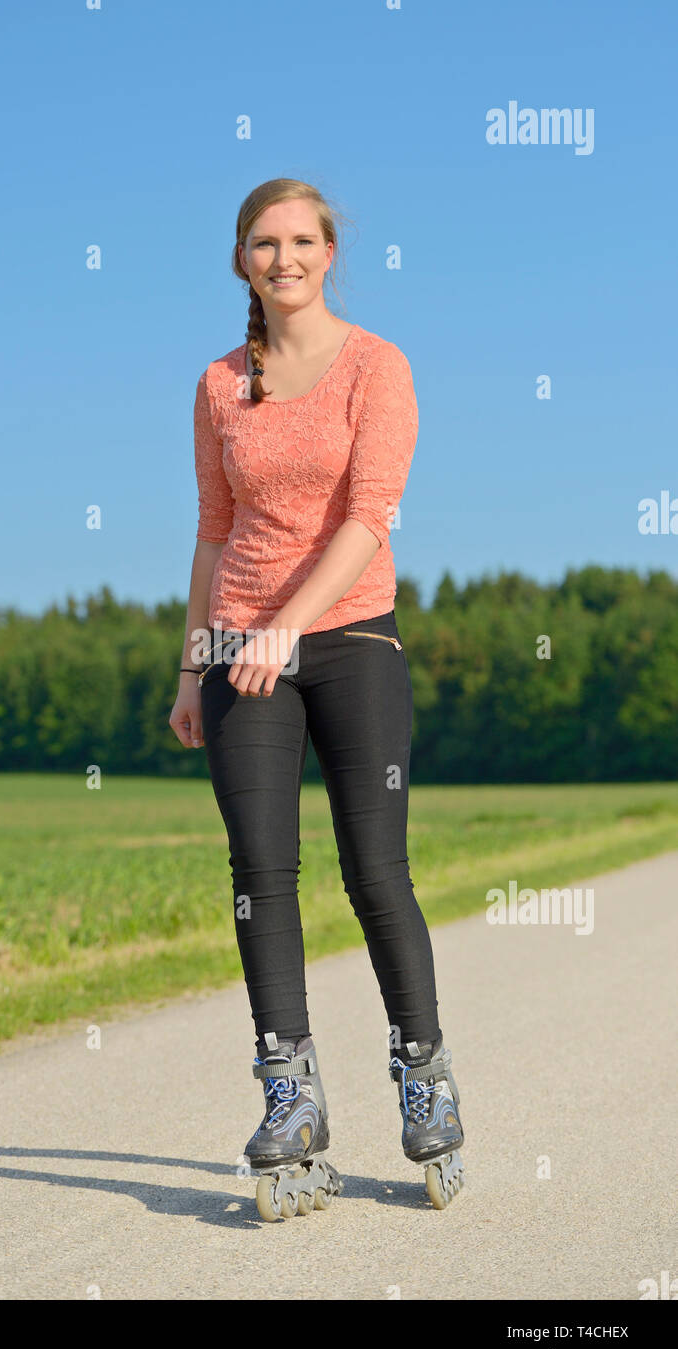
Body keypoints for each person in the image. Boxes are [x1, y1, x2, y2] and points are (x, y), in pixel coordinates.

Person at [169, 178, 464, 1213]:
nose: (282, 257)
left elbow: (368, 517)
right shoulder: (217, 384)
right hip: (238, 650)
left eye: (300, 240)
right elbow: (213, 528)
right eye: (263, 243)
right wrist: (192, 664)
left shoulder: (376, 366)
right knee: (259, 869)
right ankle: (288, 1092)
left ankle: (421, 1071)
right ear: (241, 262)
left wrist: (287, 625)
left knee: (374, 869)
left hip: (350, 638)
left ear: (330, 252)